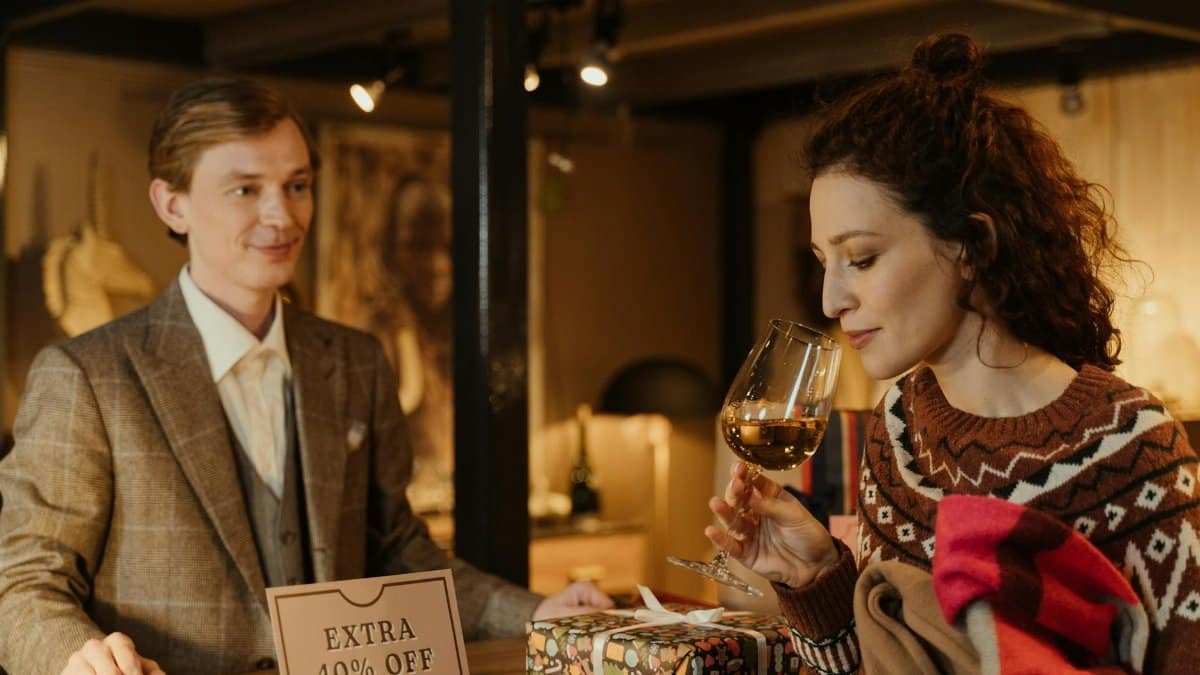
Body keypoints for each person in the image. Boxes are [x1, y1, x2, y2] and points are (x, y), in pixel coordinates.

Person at [0, 77, 611, 675]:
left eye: (297, 185)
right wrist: (72, 657)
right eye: (245, 189)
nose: (282, 216)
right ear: (172, 203)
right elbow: (23, 585)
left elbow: (398, 552)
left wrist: (536, 611)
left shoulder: (356, 361)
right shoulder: (87, 377)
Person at [707, 33, 1200, 674]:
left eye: (861, 258)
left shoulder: (1131, 446)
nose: (830, 299)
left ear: (971, 245)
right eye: (824, 263)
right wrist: (819, 578)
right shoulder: (898, 431)